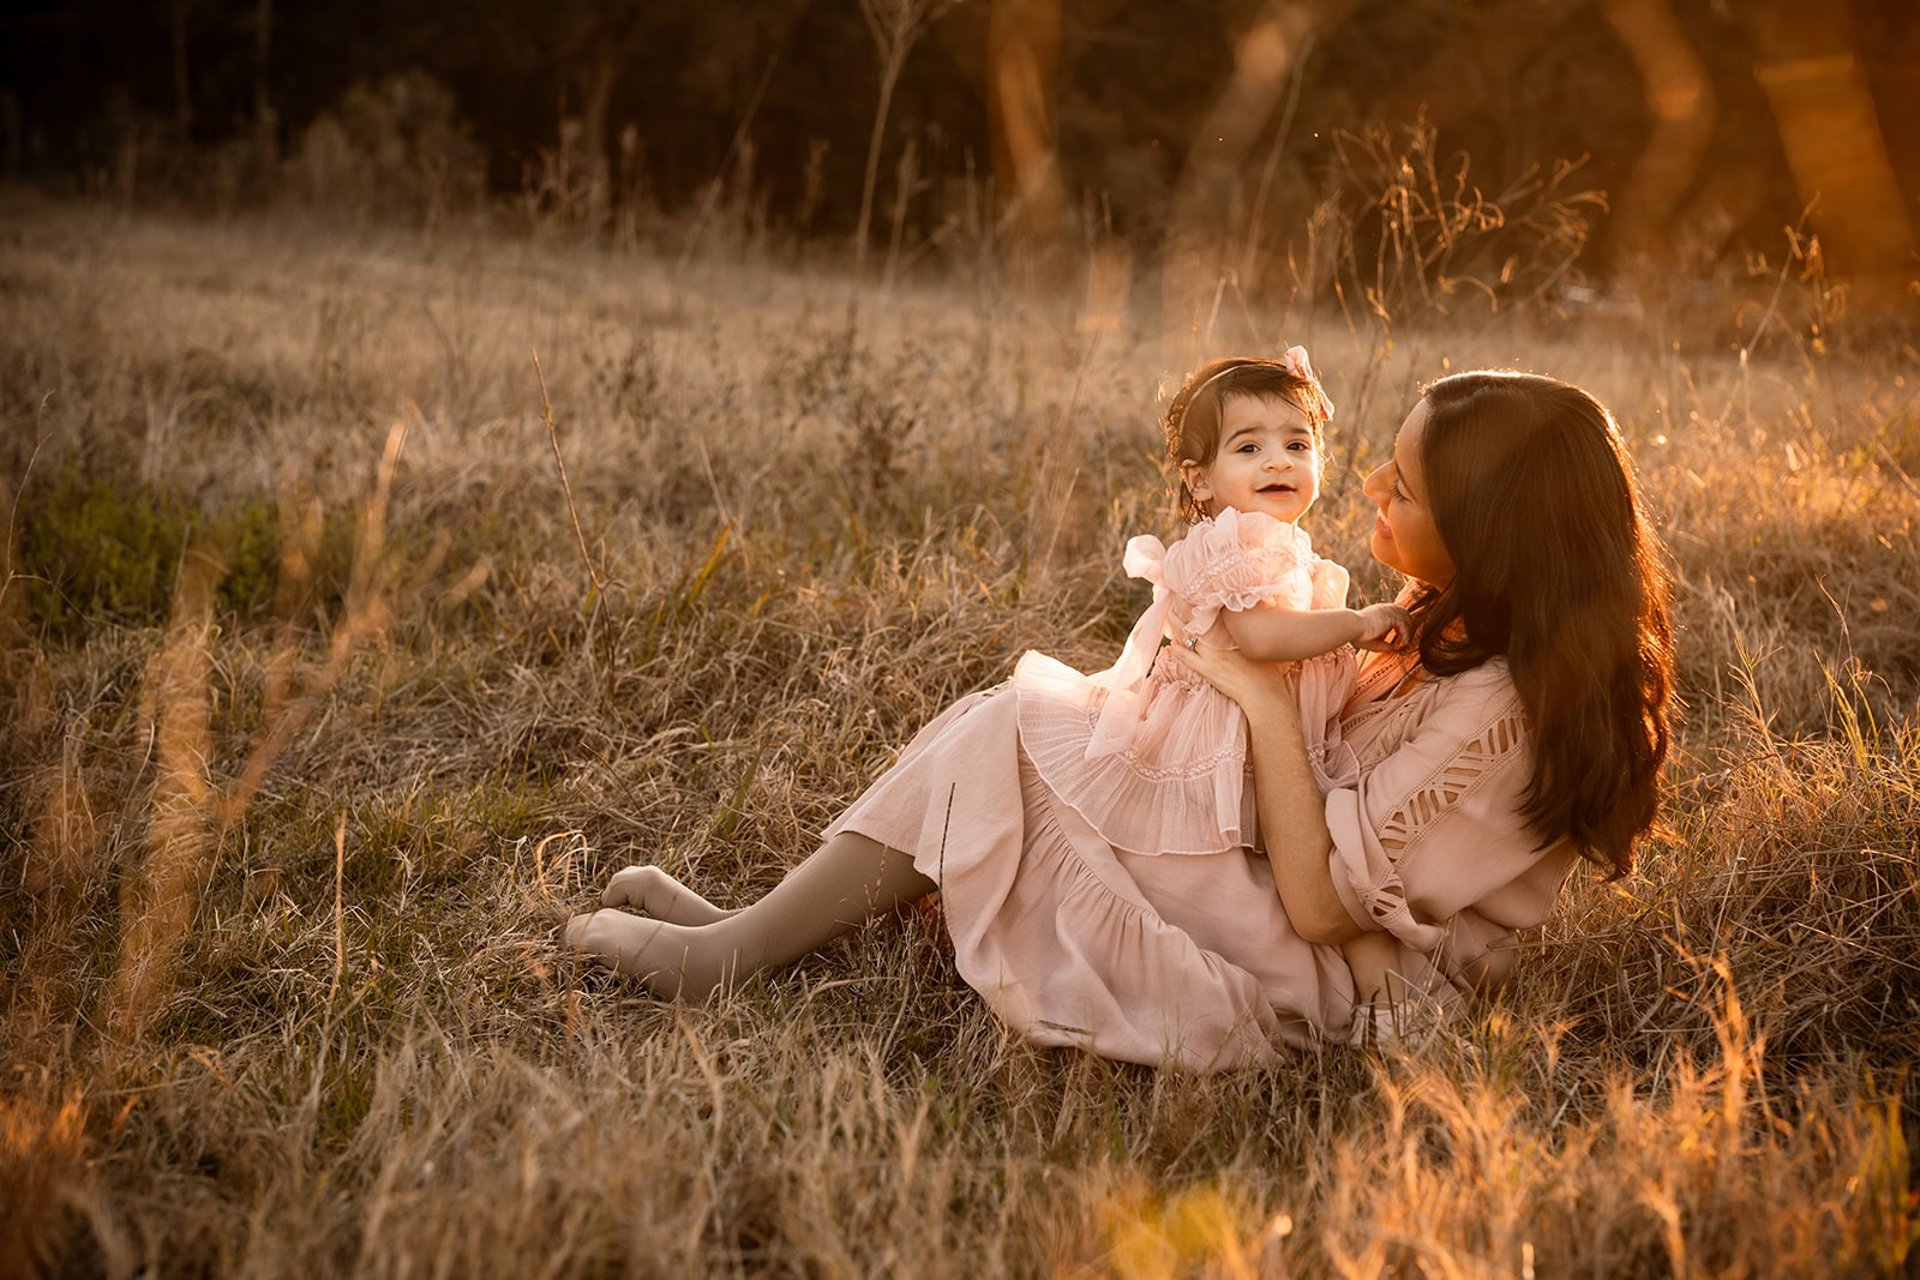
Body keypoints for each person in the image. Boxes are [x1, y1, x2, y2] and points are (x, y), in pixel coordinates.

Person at [565, 367, 1674, 1072]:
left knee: (1019, 734)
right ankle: (747, 929)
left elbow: (1328, 904)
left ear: (1489, 530)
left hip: (1321, 972)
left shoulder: (1504, 715)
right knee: (1035, 724)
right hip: (1273, 884)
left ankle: (730, 954)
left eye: (1406, 483)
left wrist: (1254, 696)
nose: (1372, 485)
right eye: (1381, 460)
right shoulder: (1457, 618)